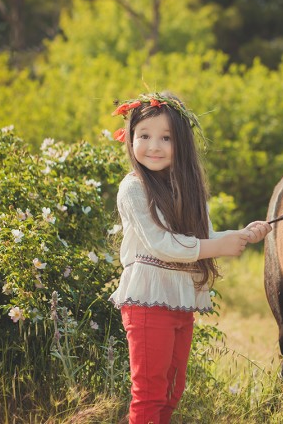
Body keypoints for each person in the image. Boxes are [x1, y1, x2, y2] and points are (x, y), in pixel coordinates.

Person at [108, 92, 271, 424]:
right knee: (150, 393)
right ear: (131, 139)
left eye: (165, 138)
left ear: (180, 143)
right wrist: (218, 246)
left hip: (178, 300)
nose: (154, 146)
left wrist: (240, 236)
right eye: (144, 136)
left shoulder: (187, 190)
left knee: (171, 390)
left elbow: (204, 239)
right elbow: (161, 245)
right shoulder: (134, 188)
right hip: (148, 300)